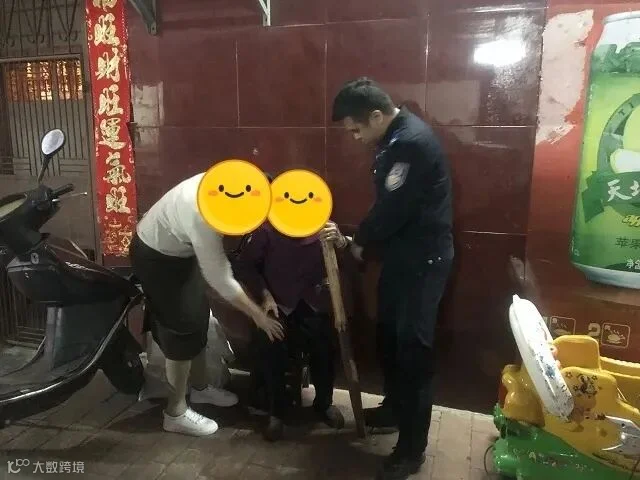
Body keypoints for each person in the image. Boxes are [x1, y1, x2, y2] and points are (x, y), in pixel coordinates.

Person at [323, 77, 454, 480]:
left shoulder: (410, 143)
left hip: (421, 264)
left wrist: (359, 243)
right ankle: (395, 410)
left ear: (377, 116)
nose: (356, 137)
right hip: (402, 260)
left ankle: (411, 451)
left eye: (356, 129)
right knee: (390, 342)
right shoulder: (394, 139)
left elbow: (392, 209)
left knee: (413, 354)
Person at [129, 173, 284, 437]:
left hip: (181, 252)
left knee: (198, 316)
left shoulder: (229, 181)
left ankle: (200, 389)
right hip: (158, 259)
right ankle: (175, 413)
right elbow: (222, 279)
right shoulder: (203, 217)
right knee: (181, 330)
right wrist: (258, 315)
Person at [231, 199, 345, 441]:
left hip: (312, 302)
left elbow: (345, 255)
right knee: (271, 344)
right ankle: (277, 413)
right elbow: (245, 266)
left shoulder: (322, 225)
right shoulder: (266, 230)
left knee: (325, 347)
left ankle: (324, 403)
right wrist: (265, 295)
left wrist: (341, 240)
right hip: (277, 303)